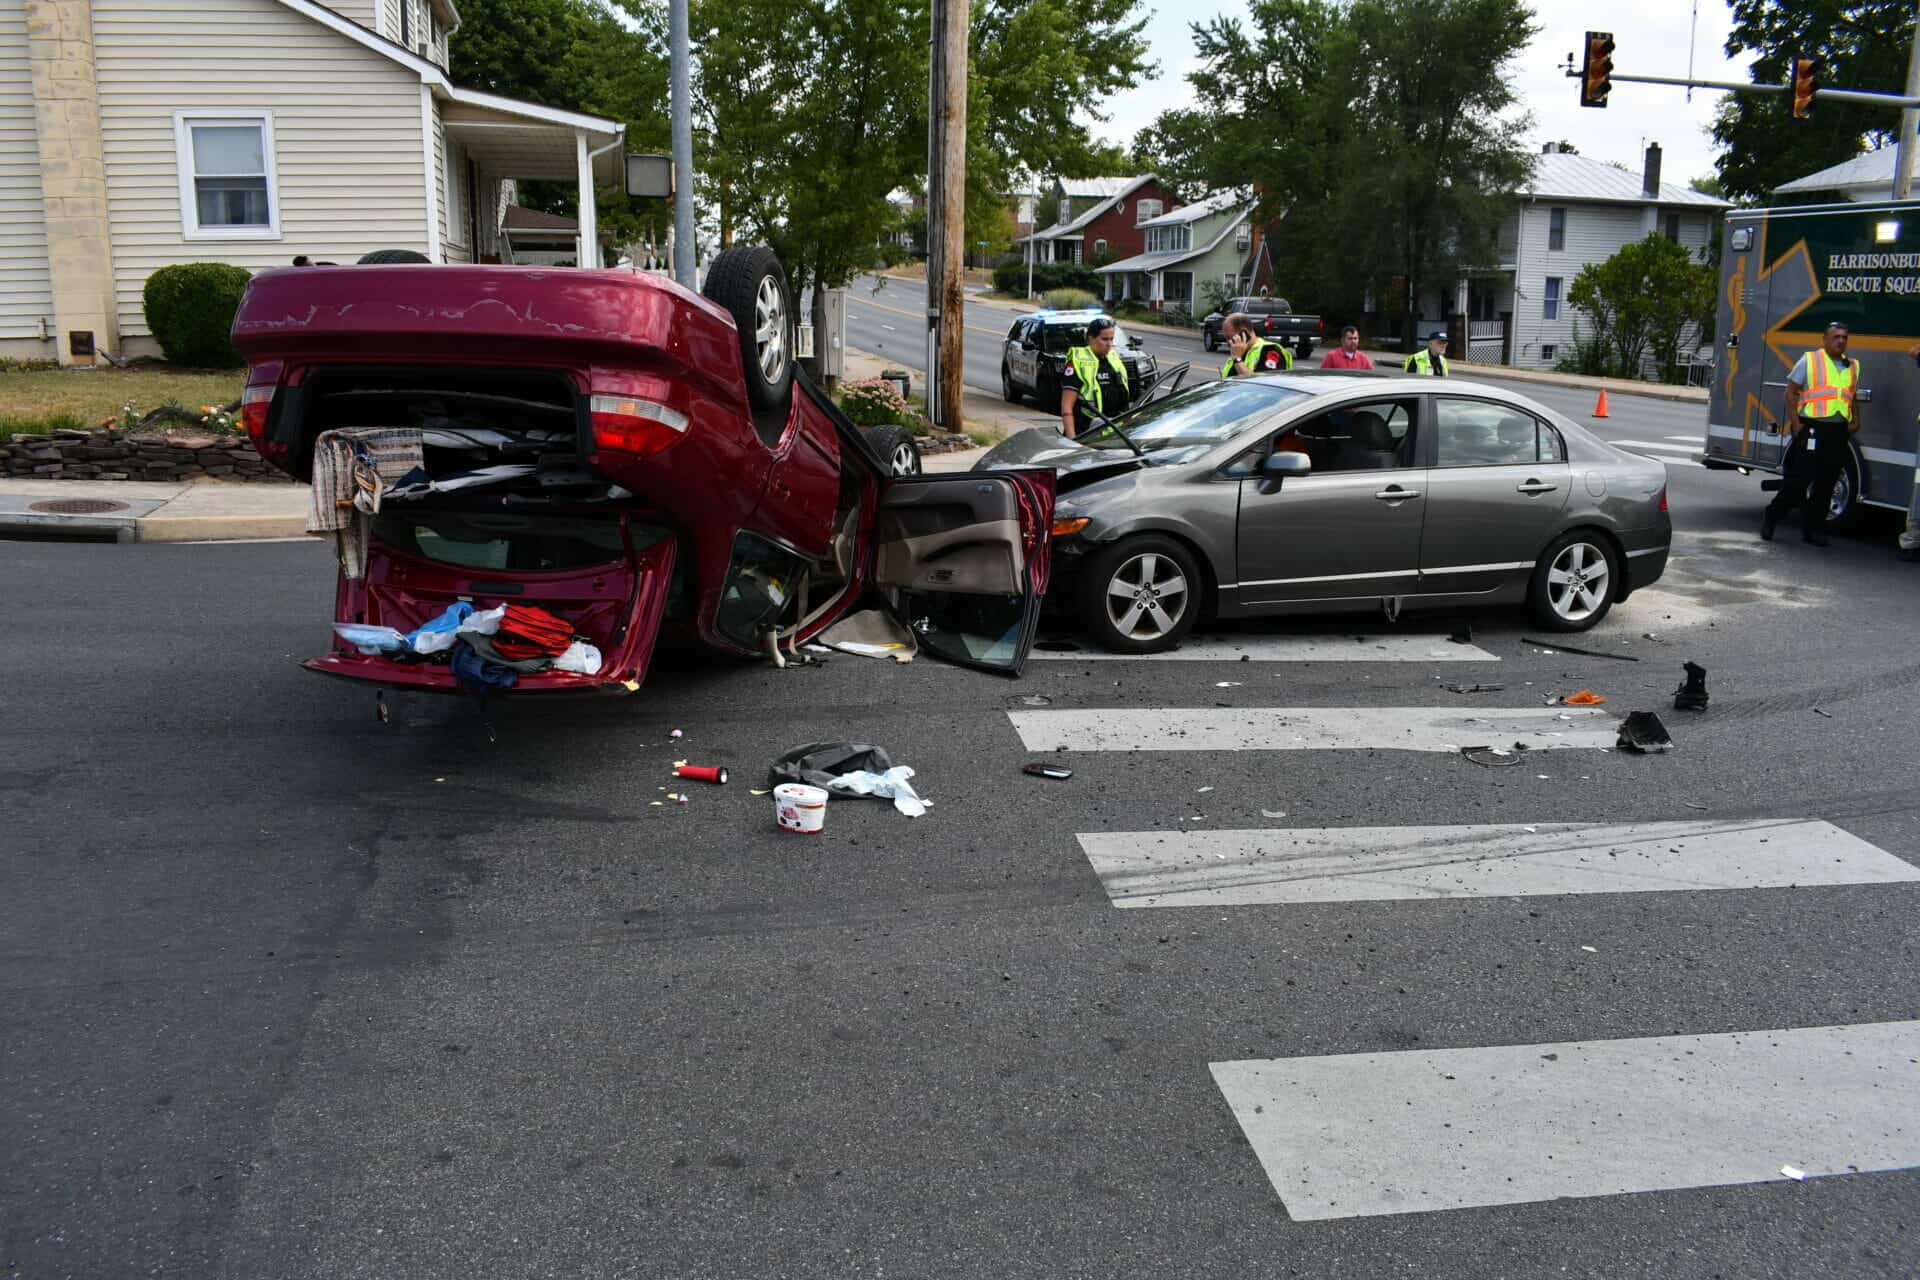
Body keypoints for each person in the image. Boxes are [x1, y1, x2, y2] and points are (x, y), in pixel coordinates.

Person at [1762, 321, 1861, 547]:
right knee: (1799, 480)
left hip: (1838, 431)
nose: (1841, 341)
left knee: (1826, 483)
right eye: (1836, 337)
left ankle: (1813, 529)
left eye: (1845, 337)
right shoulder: (1810, 360)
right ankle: (1772, 515)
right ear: (1825, 340)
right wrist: (1796, 425)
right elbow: (1790, 393)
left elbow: (1851, 396)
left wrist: (1856, 420)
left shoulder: (1852, 365)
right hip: (1813, 429)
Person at [1059, 316, 1131, 439]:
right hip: (1085, 432)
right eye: (1104, 339)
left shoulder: (1114, 359)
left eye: (1111, 339)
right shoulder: (1078, 361)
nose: (1109, 344)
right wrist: (1072, 440)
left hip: (1113, 433)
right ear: (1091, 338)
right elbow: (1066, 406)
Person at [1220, 313, 1291, 378]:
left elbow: (1264, 384)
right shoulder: (1238, 352)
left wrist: (1237, 360)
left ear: (1244, 333)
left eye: (1229, 337)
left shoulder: (1269, 350)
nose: (1228, 342)